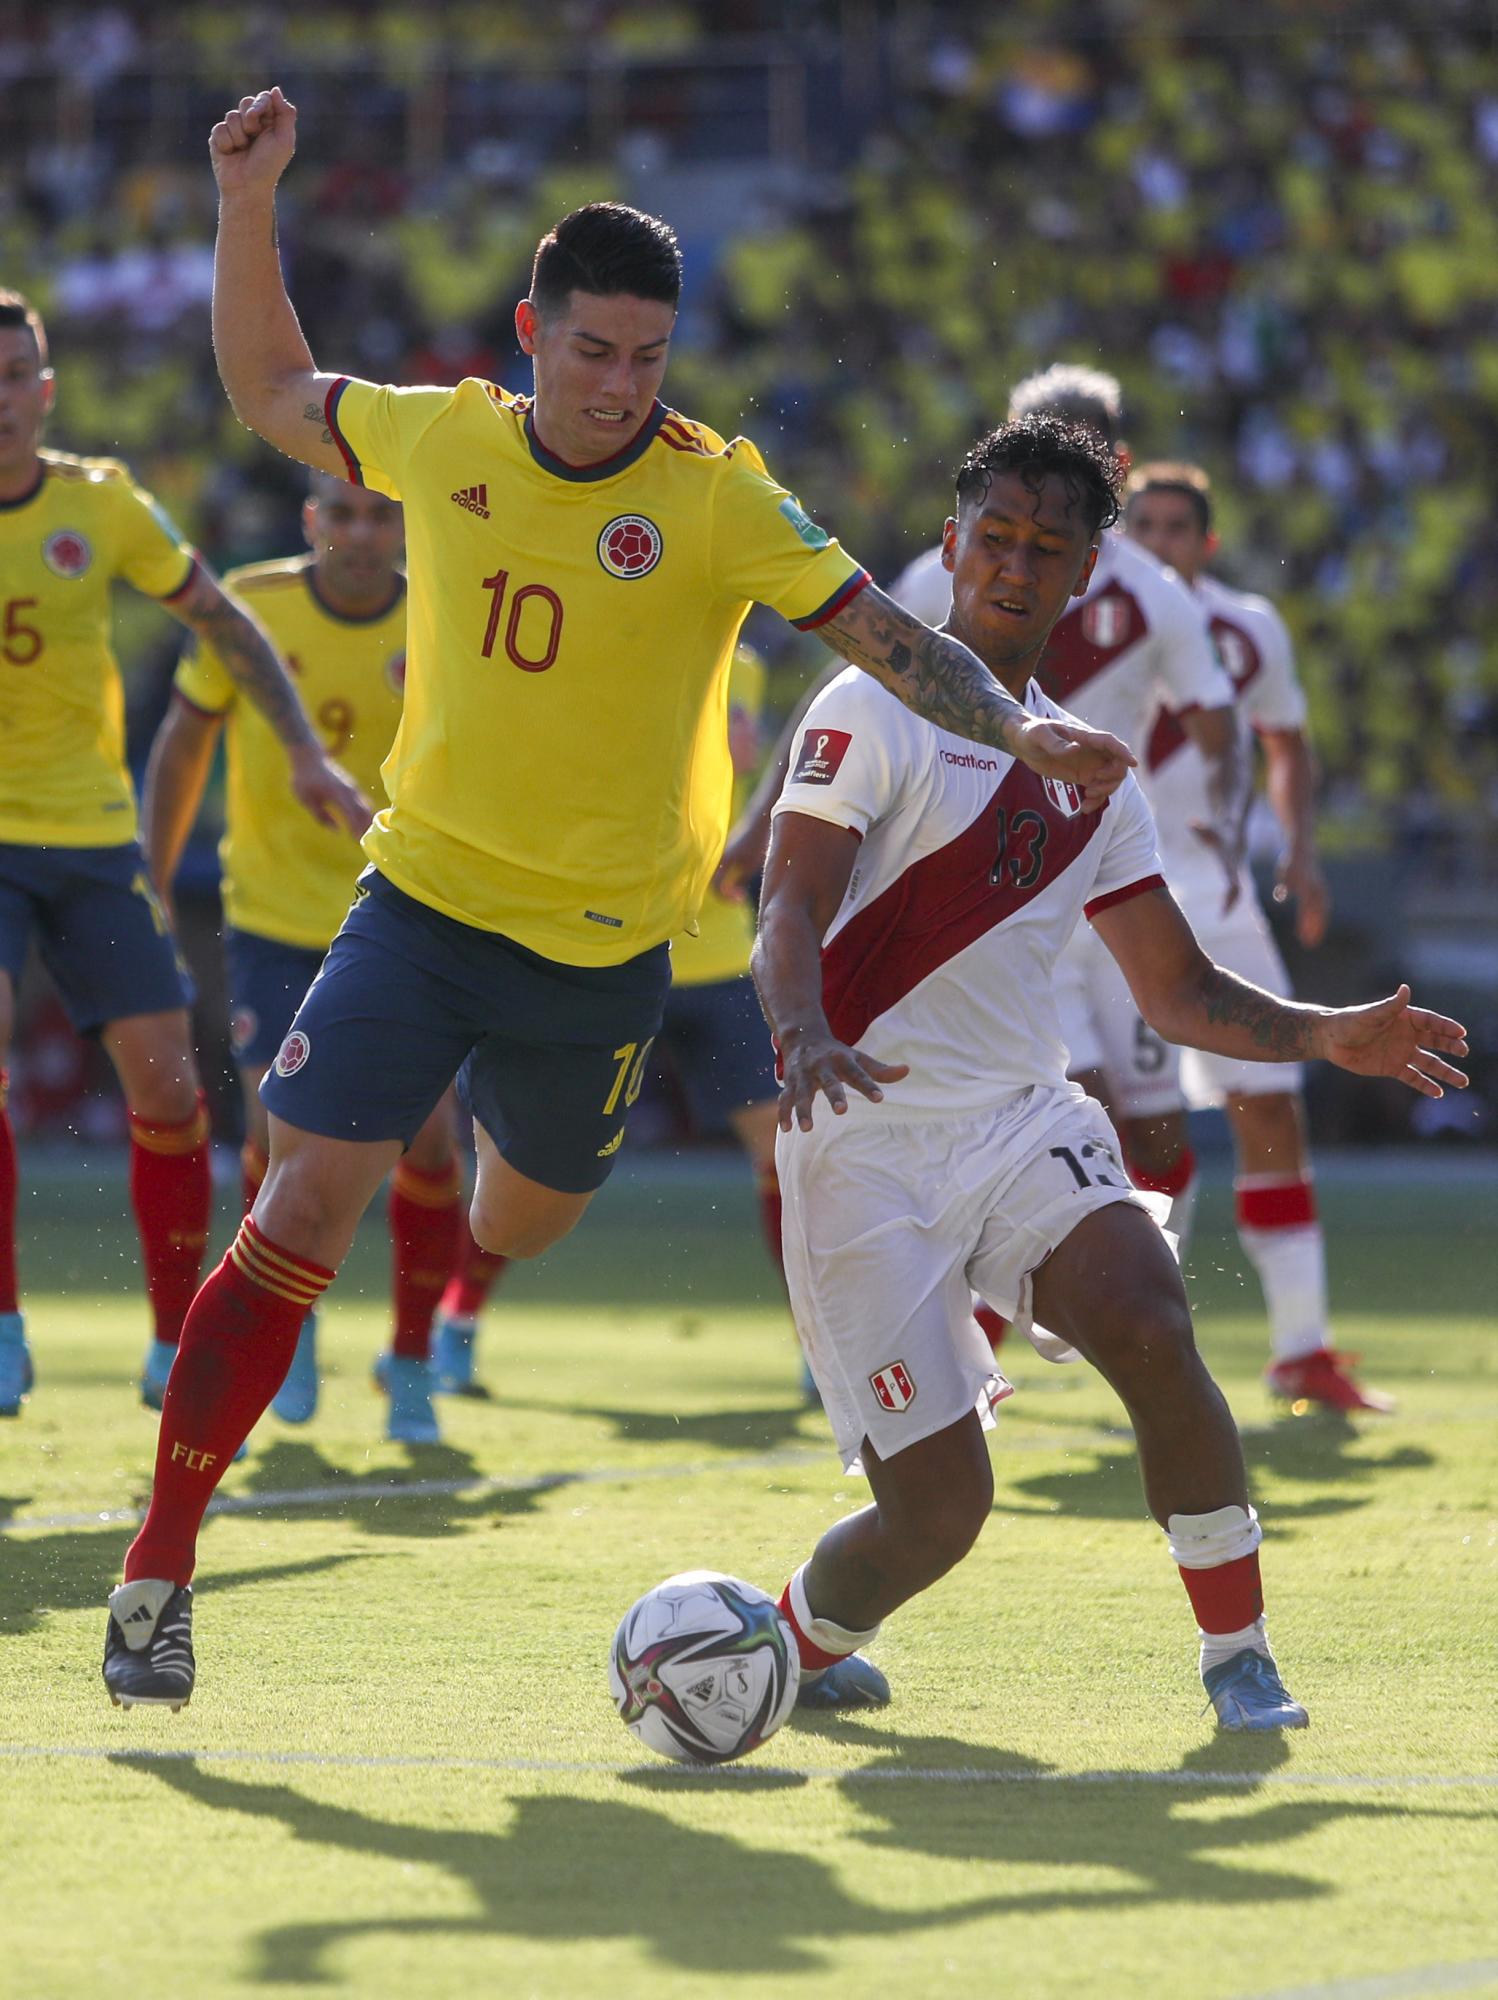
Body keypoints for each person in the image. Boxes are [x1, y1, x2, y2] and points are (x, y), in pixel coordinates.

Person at [101, 86, 1135, 1711]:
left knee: (521, 1218)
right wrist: (247, 203)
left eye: (649, 358)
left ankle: (457, 1263)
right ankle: (157, 1576)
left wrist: (1014, 728)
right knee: (301, 1207)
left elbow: (887, 637)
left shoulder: (717, 496)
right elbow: (271, 391)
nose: (619, 387)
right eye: (591, 352)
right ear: (530, 334)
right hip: (419, 907)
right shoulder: (442, 434)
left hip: (599, 961)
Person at [751, 415, 1466, 1728]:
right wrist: (798, 1031)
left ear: (1086, 573)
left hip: (1018, 1121)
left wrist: (1320, 1033)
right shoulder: (867, 704)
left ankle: (1238, 1654)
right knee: (938, 1514)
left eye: (1047, 547)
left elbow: (1177, 991)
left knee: (1148, 1314)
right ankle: (793, 1635)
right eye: (994, 538)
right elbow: (784, 904)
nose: (1014, 566)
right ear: (950, 546)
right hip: (859, 1143)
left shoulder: (1092, 772)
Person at [0, 288, 365, 1422]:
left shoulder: (100, 505)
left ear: (44, 393)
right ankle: (4, 1326)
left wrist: (301, 748)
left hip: (91, 833)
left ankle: (171, 1342)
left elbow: (223, 620)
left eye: (13, 379)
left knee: (168, 1088)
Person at [888, 365, 1246, 1254]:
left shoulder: (1154, 594)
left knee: (1156, 1138)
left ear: (1114, 466)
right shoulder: (944, 574)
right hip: (1002, 885)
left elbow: (1219, 725)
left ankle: (1145, 1296)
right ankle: (1017, 1313)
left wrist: (1229, 824)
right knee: (1069, 1121)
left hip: (1117, 882)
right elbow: (858, 682)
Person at [142, 473, 464, 1442]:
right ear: (311, 519)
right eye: (344, 514)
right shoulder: (251, 607)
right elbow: (183, 743)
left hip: (408, 920)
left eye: (382, 516)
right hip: (277, 920)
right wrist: (150, 883)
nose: (362, 534)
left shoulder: (448, 613)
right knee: (276, 1133)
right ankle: (289, 1325)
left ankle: (411, 1361)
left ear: (406, 524)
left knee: (432, 1141)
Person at [428, 644, 799, 1399]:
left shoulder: (747, 664)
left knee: (788, 1155)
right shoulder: (608, 645)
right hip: (611, 954)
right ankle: (454, 1323)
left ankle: (821, 1348)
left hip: (719, 955)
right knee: (530, 1167)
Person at [1116, 461, 1386, 1412]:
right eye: (1144, 525)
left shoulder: (1248, 627)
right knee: (1135, 1125)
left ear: (1209, 541)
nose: (1159, 541)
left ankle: (1301, 1348)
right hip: (1114, 897)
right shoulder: (1088, 618)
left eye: (1176, 527)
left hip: (1221, 897)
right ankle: (1058, 1334)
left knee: (1271, 1106)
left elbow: (1288, 740)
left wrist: (1300, 852)